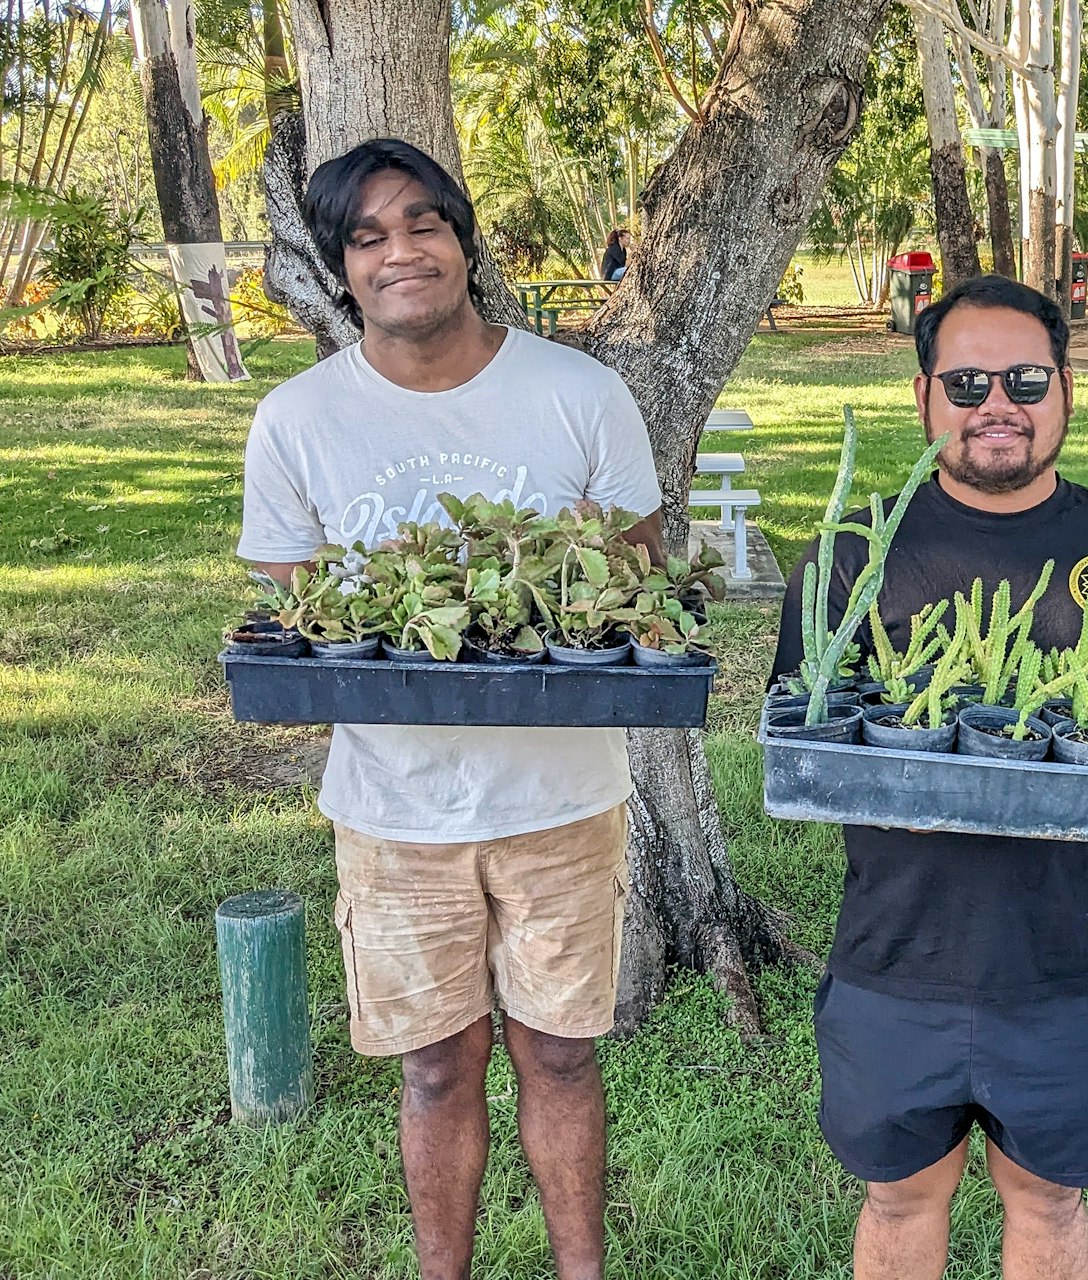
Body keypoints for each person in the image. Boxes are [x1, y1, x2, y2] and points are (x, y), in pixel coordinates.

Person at [773, 275, 1088, 1280]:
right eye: (967, 380)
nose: (998, 401)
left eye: (1026, 378)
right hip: (895, 951)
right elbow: (805, 723)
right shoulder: (852, 553)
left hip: (1073, 957)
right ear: (925, 398)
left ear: (1066, 389)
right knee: (901, 1195)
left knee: (1048, 1196)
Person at [237, 138, 664, 1280]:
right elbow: (306, 612)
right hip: (393, 803)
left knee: (563, 1059)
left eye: (423, 223)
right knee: (434, 1067)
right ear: (340, 269)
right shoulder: (297, 418)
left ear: (465, 241)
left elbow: (640, 582)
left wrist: (586, 559)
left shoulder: (580, 392)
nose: (400, 252)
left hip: (563, 794)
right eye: (367, 236)